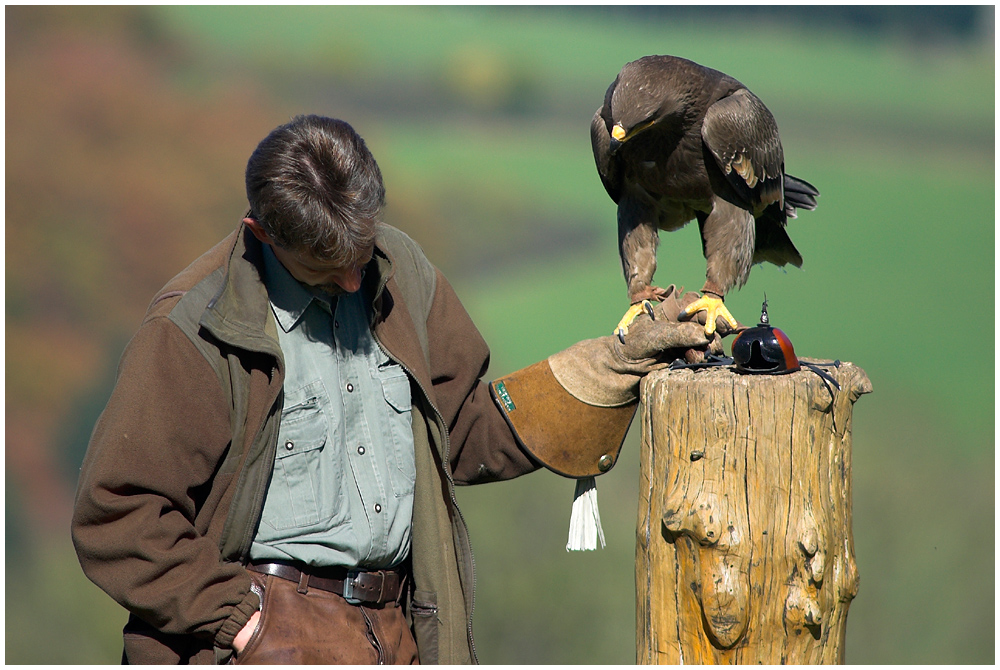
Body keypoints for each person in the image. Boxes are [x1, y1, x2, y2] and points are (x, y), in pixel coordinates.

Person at [71, 115, 720, 664]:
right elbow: (118, 514)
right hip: (256, 639)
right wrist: (242, 620)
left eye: (362, 252)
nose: (357, 282)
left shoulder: (403, 271)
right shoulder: (195, 329)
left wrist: (610, 366)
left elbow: (461, 433)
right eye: (330, 268)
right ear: (263, 235)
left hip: (400, 630)